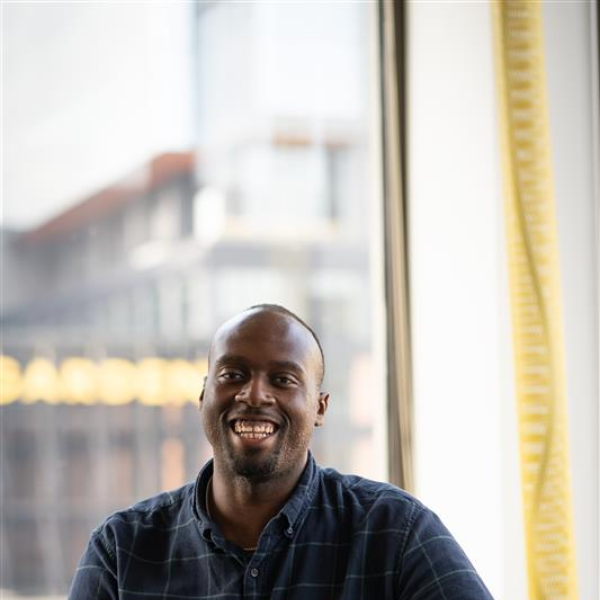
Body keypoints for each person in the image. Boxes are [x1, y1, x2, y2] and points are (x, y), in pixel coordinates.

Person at [68, 304, 494, 599]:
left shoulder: (396, 532)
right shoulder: (121, 550)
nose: (254, 395)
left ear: (320, 408)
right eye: (233, 374)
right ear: (203, 397)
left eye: (283, 380)